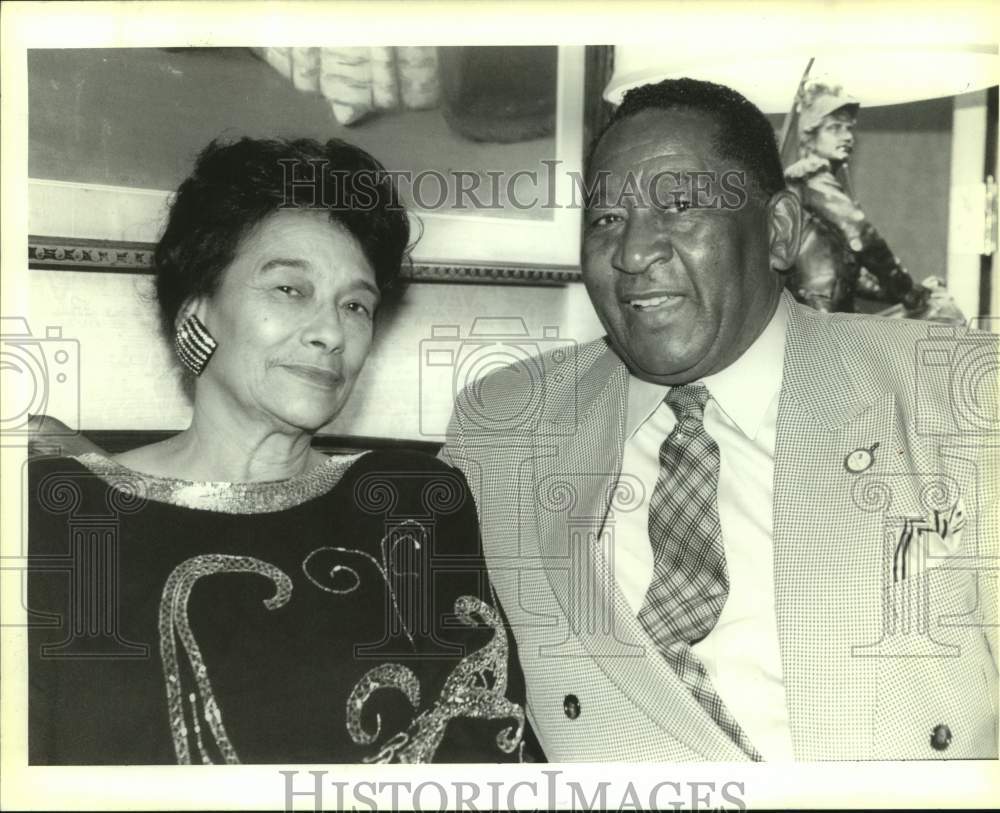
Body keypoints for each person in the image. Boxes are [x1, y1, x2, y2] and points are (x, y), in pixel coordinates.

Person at [442, 78, 997, 761]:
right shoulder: (506, 427)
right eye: (606, 219)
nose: (633, 253)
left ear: (779, 231)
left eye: (680, 207)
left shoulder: (960, 398)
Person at [27, 137, 533, 765]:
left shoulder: (417, 502)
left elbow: (490, 748)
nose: (330, 333)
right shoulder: (62, 516)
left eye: (355, 305)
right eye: (290, 290)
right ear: (199, 310)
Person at [783, 80, 931, 315]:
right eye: (834, 128)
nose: (847, 136)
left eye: (849, 128)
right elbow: (862, 237)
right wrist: (907, 290)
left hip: (829, 307)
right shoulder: (812, 179)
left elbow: (847, 265)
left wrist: (894, 292)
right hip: (821, 313)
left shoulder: (817, 182)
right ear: (811, 135)